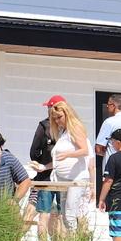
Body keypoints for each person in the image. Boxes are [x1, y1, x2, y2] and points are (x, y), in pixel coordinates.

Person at [46, 97, 94, 233]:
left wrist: (68, 154)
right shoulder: (63, 132)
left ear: (67, 113)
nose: (57, 121)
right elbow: (57, 158)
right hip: (64, 179)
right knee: (65, 214)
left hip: (76, 178)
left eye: (59, 117)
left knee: (70, 213)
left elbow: (84, 150)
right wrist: (43, 167)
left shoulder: (75, 128)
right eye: (55, 119)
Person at [27, 105, 59, 241]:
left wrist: (43, 163)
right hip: (58, 178)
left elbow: (34, 152)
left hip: (45, 178)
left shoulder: (43, 126)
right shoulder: (68, 128)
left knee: (42, 216)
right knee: (56, 217)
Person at [94, 94, 121, 171]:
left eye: (108, 104)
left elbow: (98, 149)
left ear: (113, 105)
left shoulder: (109, 122)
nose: (107, 107)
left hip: (112, 170)